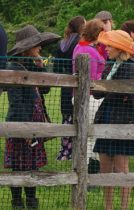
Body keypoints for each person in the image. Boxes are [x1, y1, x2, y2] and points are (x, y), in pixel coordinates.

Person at [4, 25, 60, 209]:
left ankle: (31, 200)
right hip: (21, 122)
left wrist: (40, 68)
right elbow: (16, 102)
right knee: (18, 164)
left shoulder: (31, 64)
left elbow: (45, 88)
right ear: (27, 48)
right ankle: (17, 201)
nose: (40, 48)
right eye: (37, 45)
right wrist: (25, 129)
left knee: (32, 163)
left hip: (36, 121)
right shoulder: (13, 67)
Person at [93, 30, 134, 210]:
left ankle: (124, 207)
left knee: (122, 167)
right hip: (107, 117)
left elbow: (130, 94)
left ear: (119, 47)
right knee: (105, 166)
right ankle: (108, 207)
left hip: (123, 120)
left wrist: (108, 88)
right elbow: (98, 92)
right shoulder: (110, 64)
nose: (106, 49)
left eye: (110, 45)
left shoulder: (131, 67)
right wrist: (104, 86)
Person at [72, 19, 106, 169]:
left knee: (84, 133)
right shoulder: (90, 52)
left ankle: (82, 167)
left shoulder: (79, 47)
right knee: (91, 135)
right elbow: (91, 78)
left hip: (80, 96)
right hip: (91, 96)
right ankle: (87, 169)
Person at [55, 15, 86, 161]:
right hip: (77, 82)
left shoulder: (62, 43)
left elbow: (56, 66)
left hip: (64, 83)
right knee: (77, 115)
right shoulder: (80, 43)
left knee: (66, 115)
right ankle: (76, 150)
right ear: (81, 27)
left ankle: (65, 150)